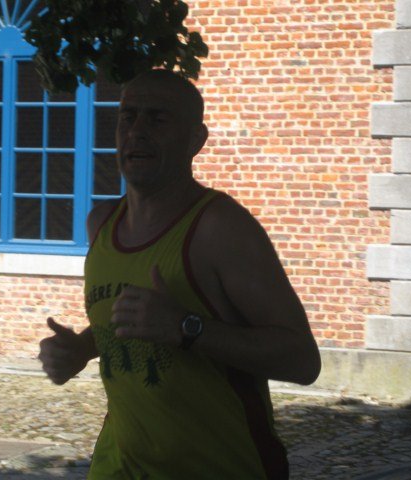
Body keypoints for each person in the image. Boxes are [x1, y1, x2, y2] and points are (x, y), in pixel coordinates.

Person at [38, 69, 321, 479]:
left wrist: (187, 328)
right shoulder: (101, 224)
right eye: (127, 117)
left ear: (195, 140)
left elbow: (302, 361)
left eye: (157, 119)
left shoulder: (220, 228)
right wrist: (82, 348)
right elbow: (130, 323)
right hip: (117, 466)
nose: (136, 131)